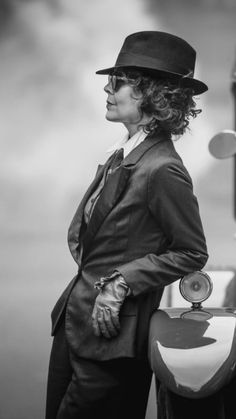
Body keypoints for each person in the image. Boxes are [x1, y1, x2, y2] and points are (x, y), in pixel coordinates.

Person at [45, 31, 208, 419]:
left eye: (119, 82)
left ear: (151, 94)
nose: (107, 88)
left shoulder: (163, 168)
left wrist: (121, 282)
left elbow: (192, 252)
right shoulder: (126, 154)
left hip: (112, 337)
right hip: (75, 322)